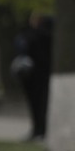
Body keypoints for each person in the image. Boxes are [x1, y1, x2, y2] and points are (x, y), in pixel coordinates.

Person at [15, 11, 53, 141]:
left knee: (38, 105)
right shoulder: (50, 35)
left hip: (34, 75)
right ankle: (40, 130)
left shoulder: (33, 35)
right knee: (41, 105)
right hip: (43, 74)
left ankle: (39, 130)